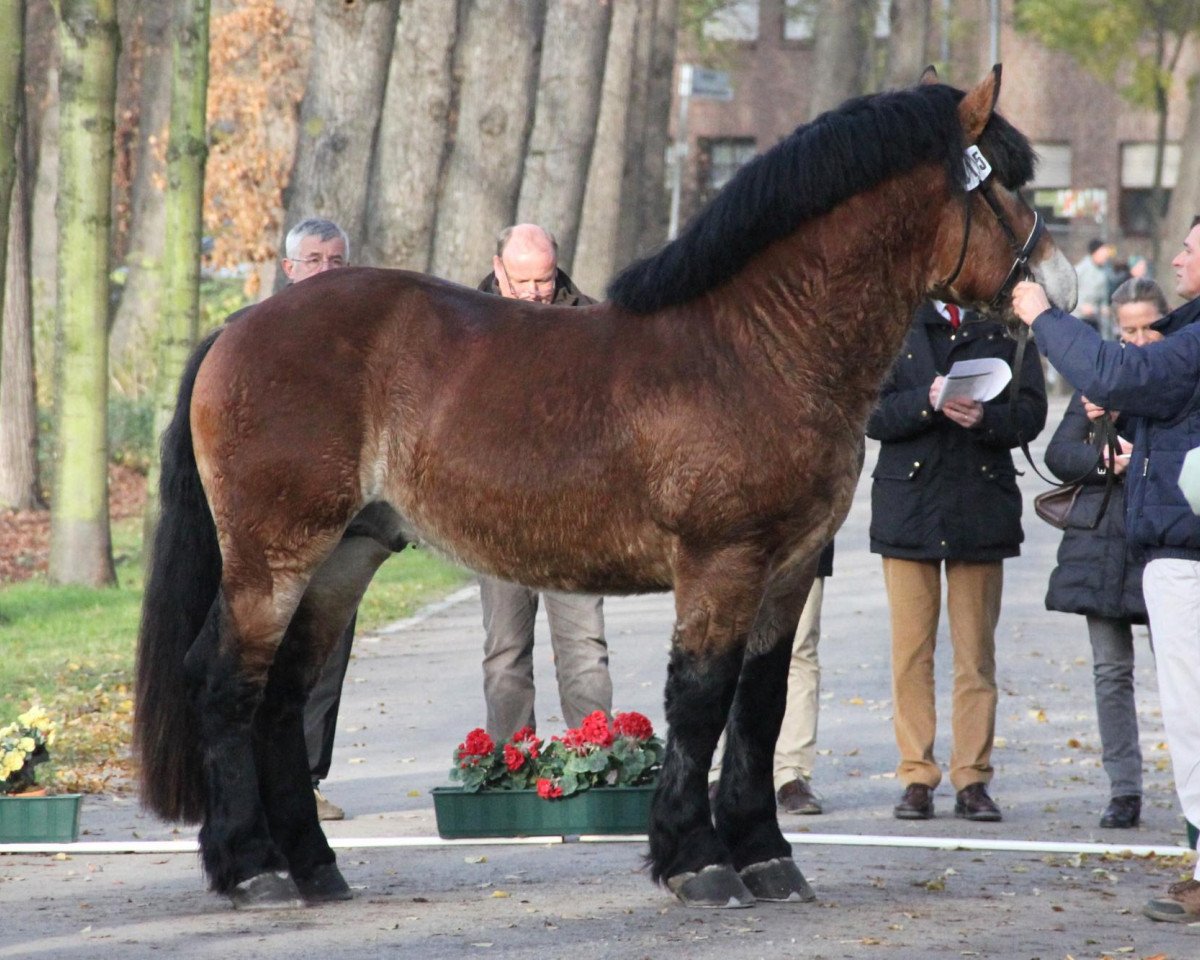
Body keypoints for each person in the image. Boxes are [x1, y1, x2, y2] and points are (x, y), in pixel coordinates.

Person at [1013, 219, 1200, 923]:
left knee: (1193, 718)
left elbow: (1115, 371)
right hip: (1176, 548)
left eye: (1190, 246)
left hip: (1187, 556)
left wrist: (1042, 314)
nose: (1177, 254)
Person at [867, 299, 1047, 823]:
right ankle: (916, 776)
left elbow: (1031, 413)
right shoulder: (893, 320)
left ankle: (972, 779)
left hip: (980, 506)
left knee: (976, 655)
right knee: (910, 654)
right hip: (908, 507)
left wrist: (985, 418)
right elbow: (869, 413)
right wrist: (926, 402)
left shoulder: (1009, 328)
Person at [1043, 278, 1171, 830]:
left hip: (1168, 542)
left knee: (1180, 672)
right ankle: (1124, 790)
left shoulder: (1182, 372)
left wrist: (1141, 453)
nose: (1138, 341)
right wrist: (1106, 452)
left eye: (1147, 328)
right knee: (1110, 672)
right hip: (1104, 547)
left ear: (1166, 323)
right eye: (1128, 330)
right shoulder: (1104, 377)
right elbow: (1060, 454)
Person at [475, 224, 612, 738]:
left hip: (574, 518)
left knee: (585, 650)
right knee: (505, 654)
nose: (536, 293)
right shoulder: (464, 326)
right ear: (498, 270)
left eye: (545, 279)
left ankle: (596, 762)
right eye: (523, 281)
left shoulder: (593, 324)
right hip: (496, 520)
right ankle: (512, 767)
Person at [278, 217, 353, 821]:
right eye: (314, 260)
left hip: (340, 525)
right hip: (273, 526)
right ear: (289, 270)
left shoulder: (361, 348)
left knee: (327, 651)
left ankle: (305, 778)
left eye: (336, 262)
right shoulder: (256, 340)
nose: (326, 272)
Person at [709, 542, 833, 815]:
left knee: (799, 650)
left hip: (803, 531)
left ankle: (792, 773)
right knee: (723, 649)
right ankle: (717, 770)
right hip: (731, 535)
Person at [1074, 239, 1113, 336]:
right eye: (1103, 252)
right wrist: (1080, 307)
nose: (1106, 256)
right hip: (1078, 317)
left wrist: (1104, 306)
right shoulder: (1081, 269)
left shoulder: (1105, 271)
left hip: (1095, 319)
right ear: (1095, 252)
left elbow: (1103, 295)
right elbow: (1068, 291)